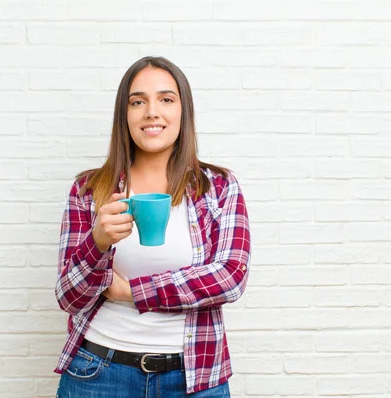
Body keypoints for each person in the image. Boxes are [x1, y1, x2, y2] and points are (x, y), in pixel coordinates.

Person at [54, 56, 251, 397]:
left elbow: (230, 277)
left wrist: (131, 292)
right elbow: (69, 297)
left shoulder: (218, 187)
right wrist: (97, 243)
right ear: (125, 115)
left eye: (166, 99)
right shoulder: (89, 190)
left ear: (182, 111)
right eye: (137, 101)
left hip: (194, 376)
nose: (151, 112)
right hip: (99, 374)